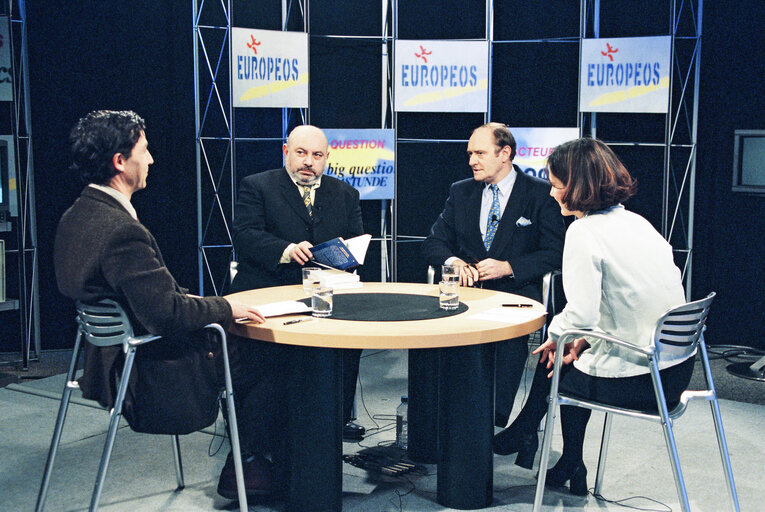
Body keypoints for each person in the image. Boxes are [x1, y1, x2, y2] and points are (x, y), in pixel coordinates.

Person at [53, 110, 275, 501]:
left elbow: (153, 297)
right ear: (120, 162)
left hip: (101, 359)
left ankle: (255, 463)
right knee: (276, 357)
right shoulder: (122, 231)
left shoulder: (77, 214)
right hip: (146, 369)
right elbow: (166, 315)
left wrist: (200, 302)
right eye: (145, 149)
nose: (151, 159)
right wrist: (225, 308)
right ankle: (256, 466)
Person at [492, 137, 694, 495]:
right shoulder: (637, 223)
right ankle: (568, 458)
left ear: (578, 186)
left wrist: (557, 335)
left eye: (556, 186)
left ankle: (535, 434)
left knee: (559, 358)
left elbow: (582, 313)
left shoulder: (584, 233)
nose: (552, 196)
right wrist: (579, 339)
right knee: (572, 350)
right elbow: (636, 304)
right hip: (676, 370)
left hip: (642, 380)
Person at [421, 122, 566, 428]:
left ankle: (490, 422)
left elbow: (555, 252)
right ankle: (449, 421)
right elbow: (434, 241)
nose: (472, 160)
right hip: (466, 292)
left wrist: (510, 267)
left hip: (514, 293)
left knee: (505, 344)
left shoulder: (540, 195)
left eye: (480, 153)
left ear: (505, 153)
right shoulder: (460, 192)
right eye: (470, 153)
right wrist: (453, 260)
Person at [230, 124, 366, 441]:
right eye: (301, 153)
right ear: (286, 152)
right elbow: (246, 235)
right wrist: (287, 250)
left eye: (316, 155)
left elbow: (356, 243)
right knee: (273, 357)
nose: (308, 162)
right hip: (267, 286)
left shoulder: (345, 194)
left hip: (326, 291)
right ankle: (260, 425)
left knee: (351, 336)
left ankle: (334, 417)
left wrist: (347, 256)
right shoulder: (257, 186)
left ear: (327, 158)